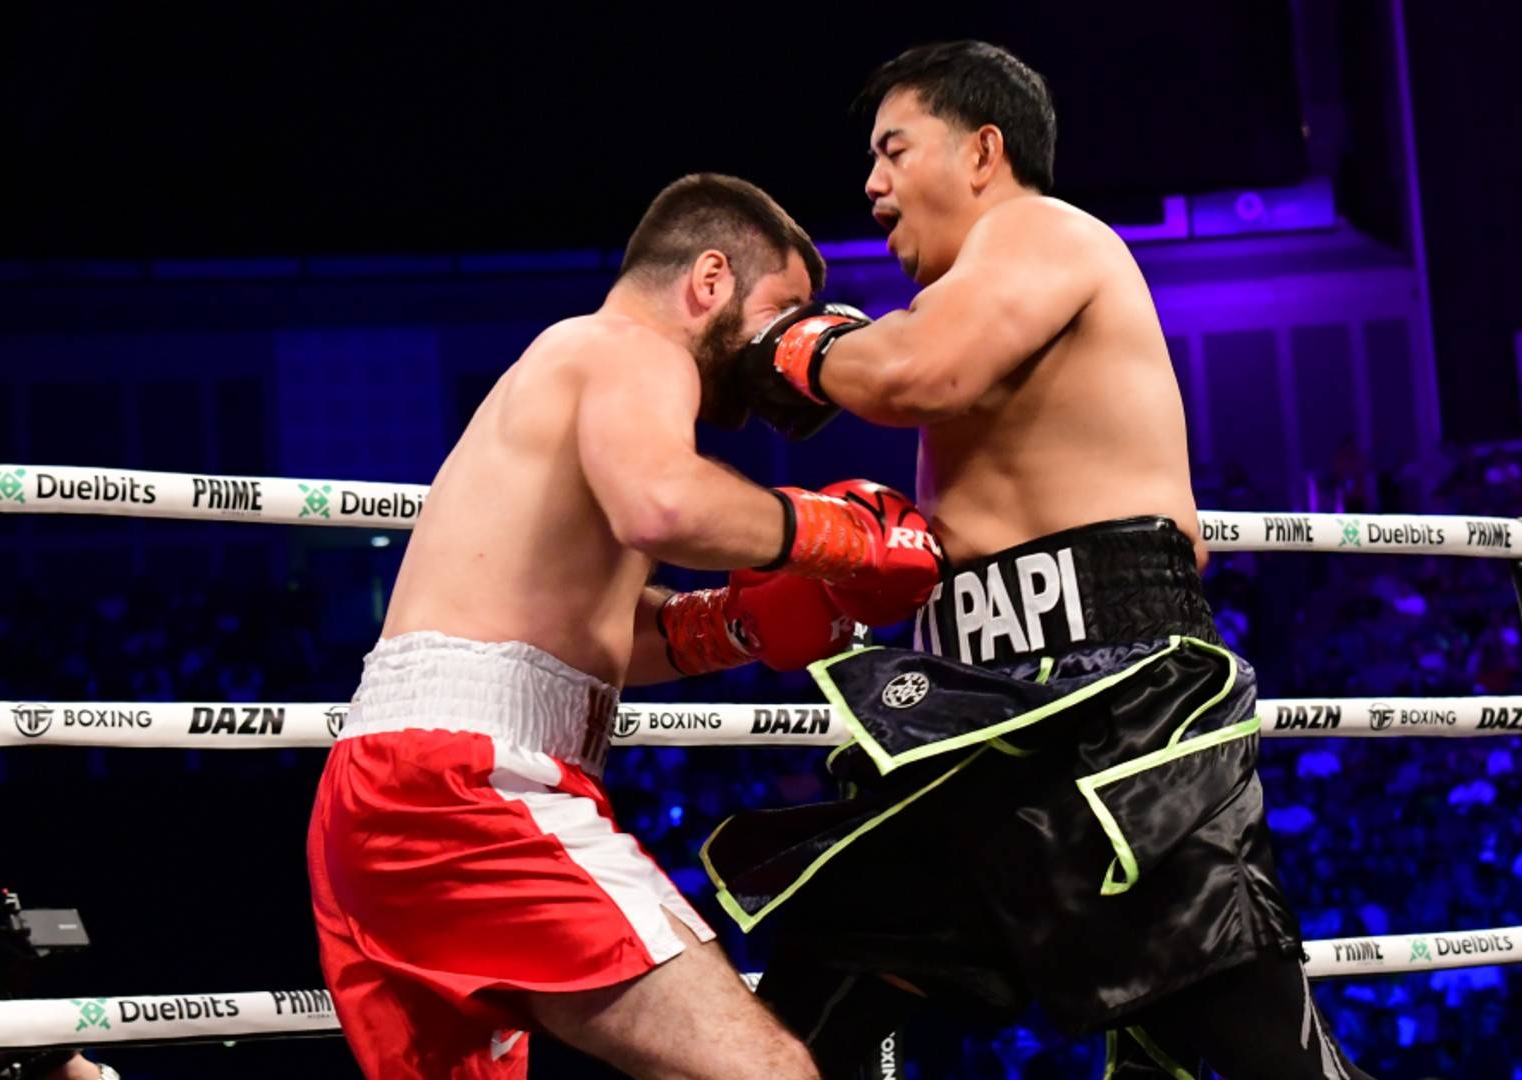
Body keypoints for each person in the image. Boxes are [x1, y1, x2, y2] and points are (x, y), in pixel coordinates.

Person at [706, 42, 1374, 1078]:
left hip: (1111, 705)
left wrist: (785, 340)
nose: (871, 185)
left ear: (983, 151)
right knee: (823, 999)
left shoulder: (1040, 231)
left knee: (1247, 1048)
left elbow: (916, 374)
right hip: (975, 709)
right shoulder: (971, 295)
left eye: (894, 149)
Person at [305, 173, 940, 1079]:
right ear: (710, 279)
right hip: (467, 784)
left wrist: (733, 626)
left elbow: (575, 628)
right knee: (765, 1071)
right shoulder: (632, 348)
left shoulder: (580, 373)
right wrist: (841, 537)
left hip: (398, 786)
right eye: (780, 310)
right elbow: (662, 505)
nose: (782, 350)